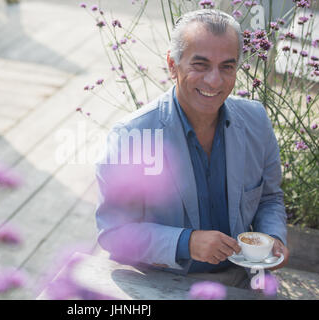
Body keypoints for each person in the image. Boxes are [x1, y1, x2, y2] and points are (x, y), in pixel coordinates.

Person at [95, 9, 289, 289]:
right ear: (172, 64)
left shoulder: (256, 121)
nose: (215, 80)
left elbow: (269, 199)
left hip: (242, 281)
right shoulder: (133, 136)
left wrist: (275, 238)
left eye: (227, 67)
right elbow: (113, 233)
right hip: (162, 283)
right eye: (200, 65)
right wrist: (185, 243)